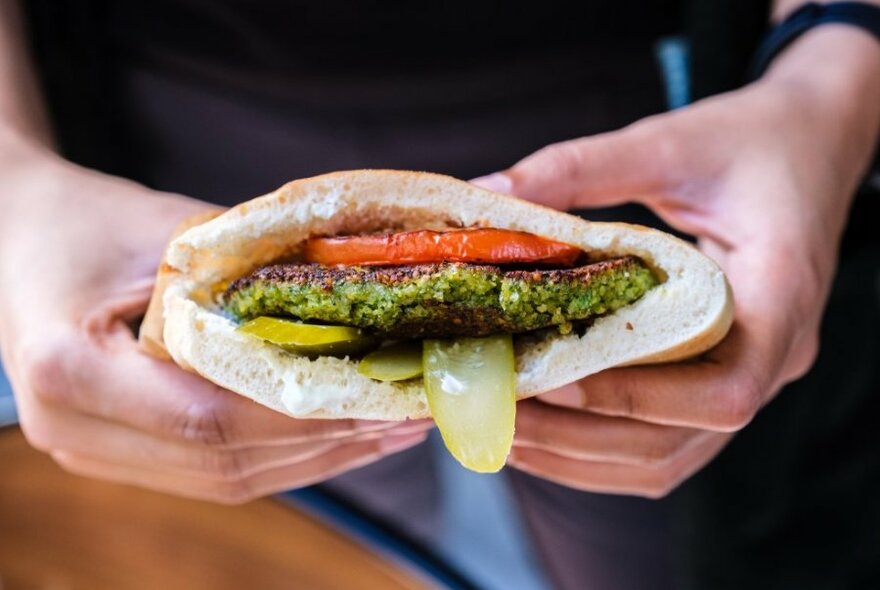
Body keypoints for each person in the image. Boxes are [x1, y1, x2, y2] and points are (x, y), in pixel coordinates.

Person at [0, 0, 877, 588]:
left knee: (656, 549)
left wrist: (829, 73)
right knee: (347, 516)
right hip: (166, 136)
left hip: (647, 139)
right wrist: (15, 181)